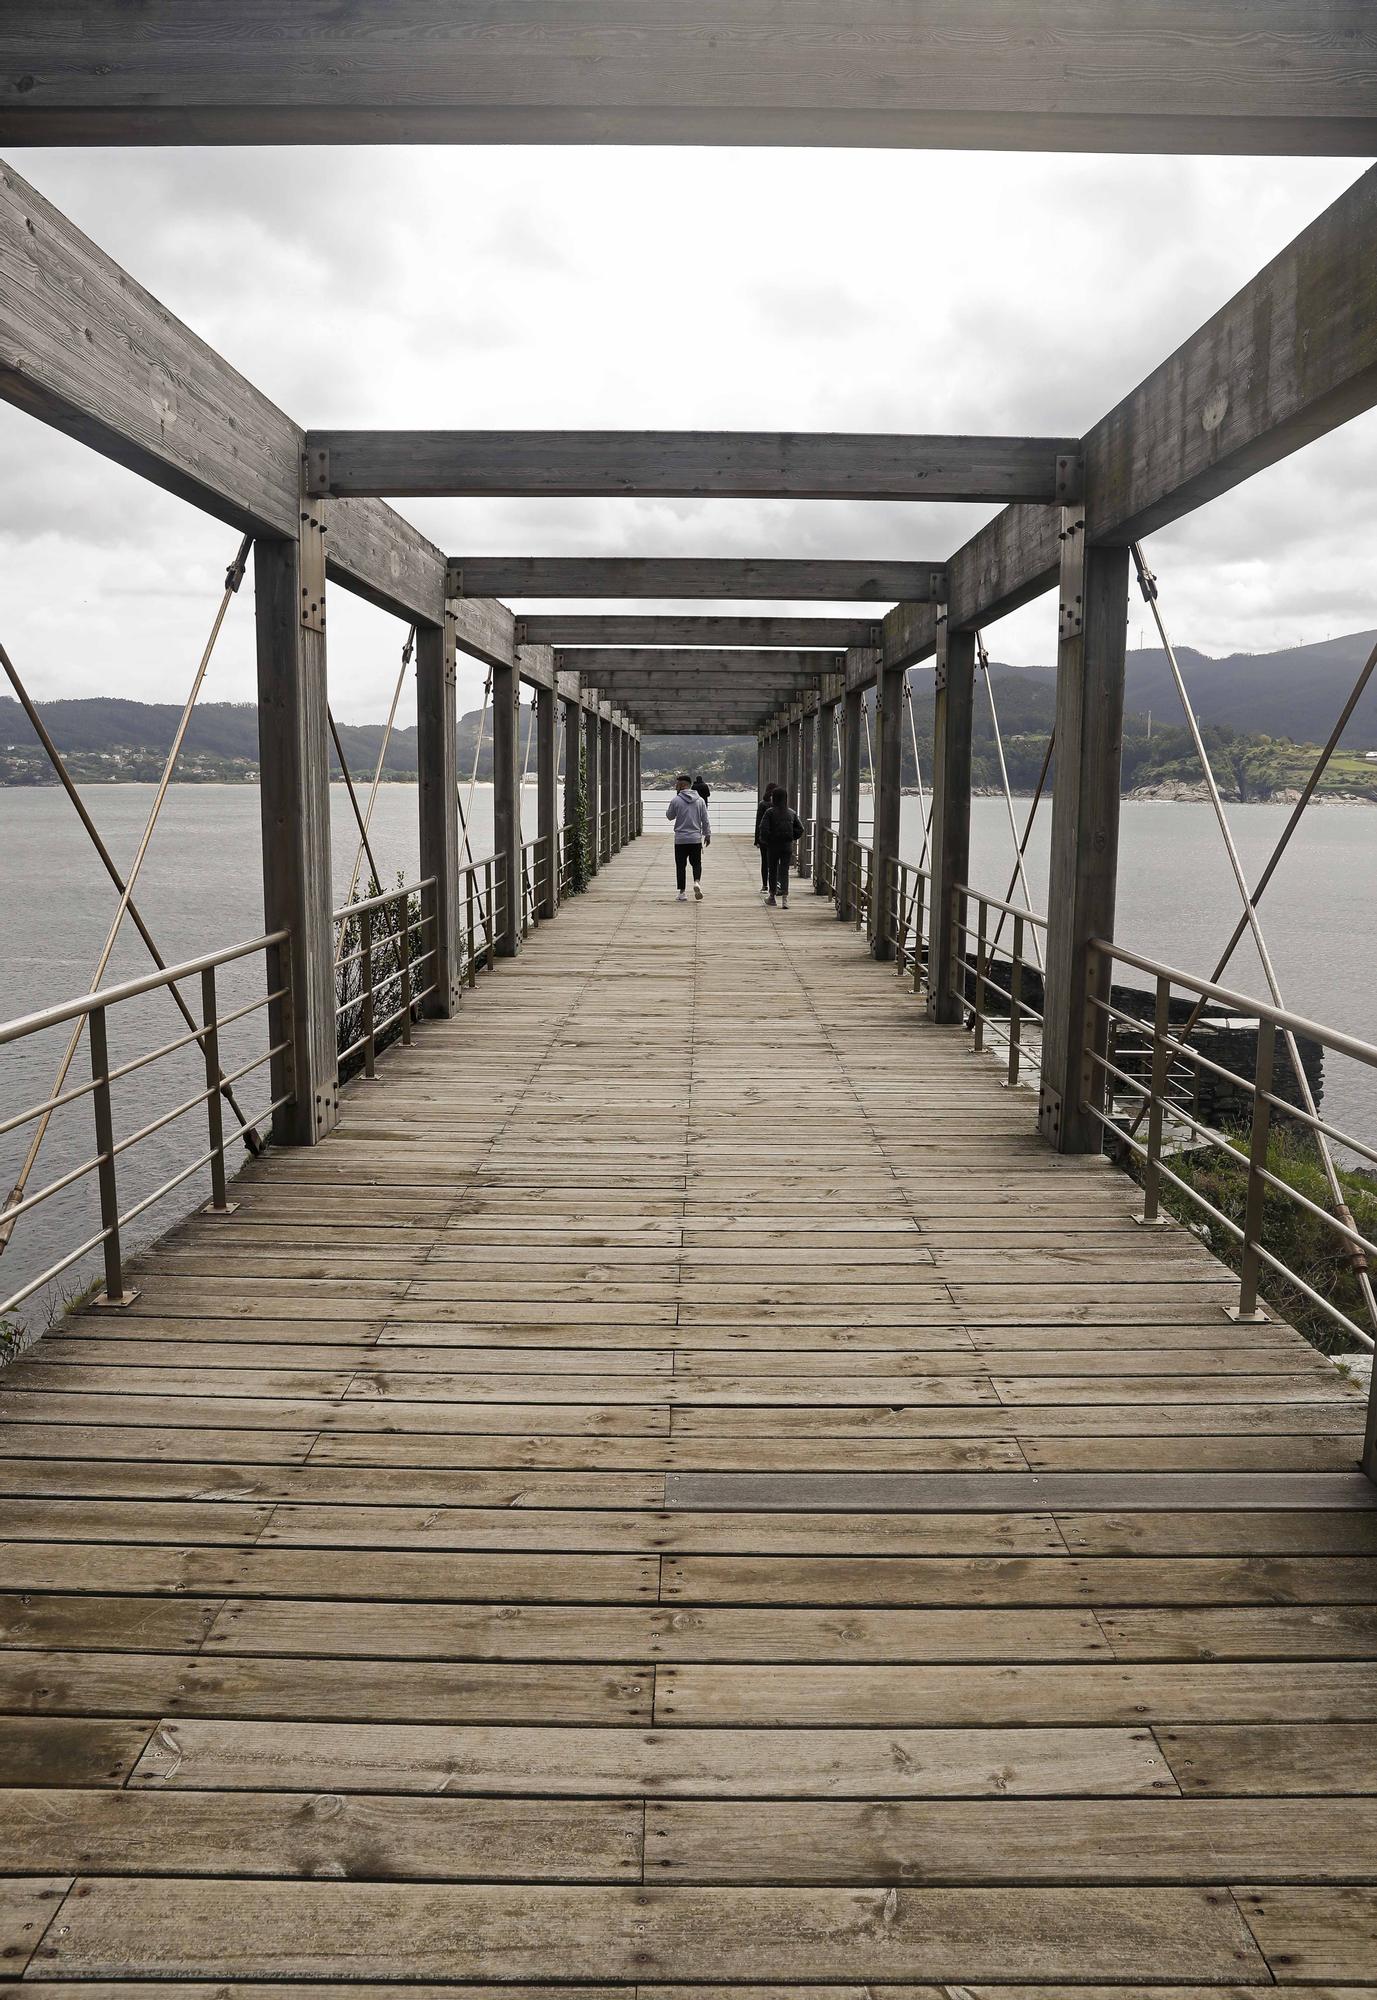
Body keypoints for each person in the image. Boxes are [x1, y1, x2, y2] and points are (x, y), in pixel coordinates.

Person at [665, 773, 710, 901]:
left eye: (677, 784)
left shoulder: (676, 800)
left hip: (680, 839)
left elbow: (669, 816)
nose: (675, 787)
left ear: (682, 785)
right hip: (695, 838)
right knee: (696, 863)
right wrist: (707, 834)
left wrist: (674, 805)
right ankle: (696, 882)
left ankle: (682, 892)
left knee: (681, 865)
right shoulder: (700, 800)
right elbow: (705, 820)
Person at [759, 789, 803, 908]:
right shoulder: (791, 813)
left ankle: (772, 896)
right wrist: (791, 837)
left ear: (774, 798)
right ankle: (785, 898)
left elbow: (763, 829)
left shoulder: (769, 812)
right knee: (784, 872)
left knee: (772, 870)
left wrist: (766, 840)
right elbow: (800, 829)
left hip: (773, 846)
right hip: (787, 846)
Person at [754, 783, 780, 898]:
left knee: (765, 861)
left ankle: (765, 885)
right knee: (776, 863)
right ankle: (777, 884)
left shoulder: (762, 804)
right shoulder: (779, 805)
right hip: (776, 838)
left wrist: (757, 839)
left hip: (764, 838)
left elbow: (758, 822)